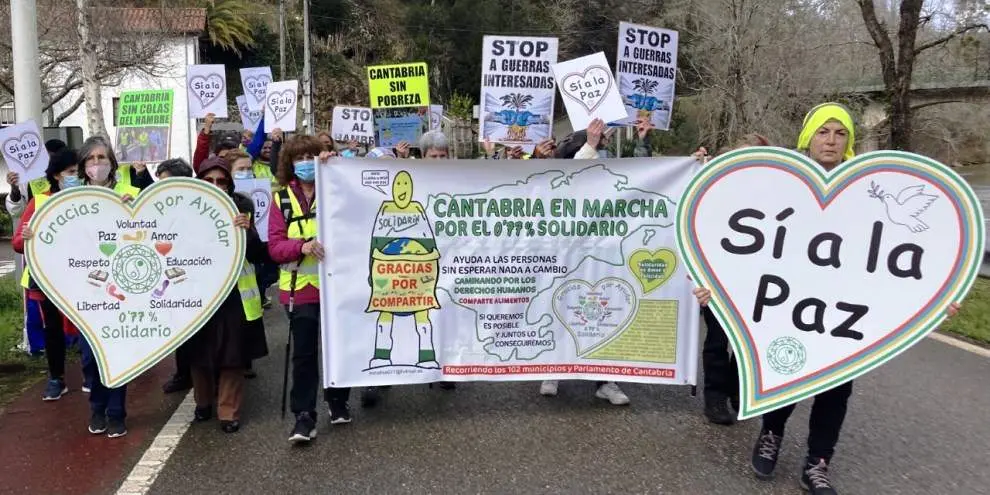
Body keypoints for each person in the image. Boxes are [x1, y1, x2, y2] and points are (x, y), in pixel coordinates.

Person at [692, 103, 960, 494]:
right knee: (787, 372)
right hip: (790, 304)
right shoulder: (784, 182)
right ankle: (771, 434)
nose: (831, 140)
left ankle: (818, 462)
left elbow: (897, 252)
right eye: (823, 131)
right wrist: (713, 283)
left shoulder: (866, 190)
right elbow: (749, 242)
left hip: (842, 313)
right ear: (808, 137)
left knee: (836, 387)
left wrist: (934, 297)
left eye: (840, 133)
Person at [537, 118, 629, 406]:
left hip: (599, 252)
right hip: (563, 252)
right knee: (559, 308)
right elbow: (575, 176)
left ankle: (605, 379)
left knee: (603, 313)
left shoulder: (606, 167)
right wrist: (590, 144)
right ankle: (553, 368)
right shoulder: (559, 169)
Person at [268, 134, 350, 443]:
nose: (305, 163)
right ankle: (304, 415)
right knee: (303, 354)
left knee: (338, 347)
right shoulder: (281, 199)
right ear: (289, 163)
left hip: (338, 284)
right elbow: (275, 247)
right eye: (298, 158)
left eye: (310, 156)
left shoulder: (337, 187)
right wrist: (301, 247)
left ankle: (337, 400)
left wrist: (337, 167)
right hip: (299, 288)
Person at [187, 157, 269, 433]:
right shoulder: (184, 209)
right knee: (198, 352)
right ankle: (203, 402)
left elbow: (259, 255)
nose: (215, 186)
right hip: (197, 293)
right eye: (209, 181)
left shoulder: (242, 206)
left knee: (232, 354)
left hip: (234, 294)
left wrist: (248, 232)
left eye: (222, 181)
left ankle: (228, 410)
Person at [699, 133, 772, 426]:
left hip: (761, 281)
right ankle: (715, 397)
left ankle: (739, 391)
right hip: (718, 278)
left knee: (749, 340)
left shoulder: (779, 193)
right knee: (717, 338)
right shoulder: (717, 190)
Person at [11, 149, 81, 400]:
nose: (77, 177)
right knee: (52, 328)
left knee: (87, 326)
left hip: (83, 277)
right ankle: (56, 378)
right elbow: (18, 243)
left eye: (78, 172)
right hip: (47, 279)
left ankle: (92, 375)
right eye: (71, 172)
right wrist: (26, 237)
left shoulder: (88, 199)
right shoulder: (39, 201)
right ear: (56, 175)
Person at [156, 158, 196, 394]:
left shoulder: (197, 206)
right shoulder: (158, 207)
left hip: (196, 277)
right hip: (170, 278)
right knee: (179, 329)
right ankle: (184, 373)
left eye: (165, 182)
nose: (160, 188)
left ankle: (203, 374)